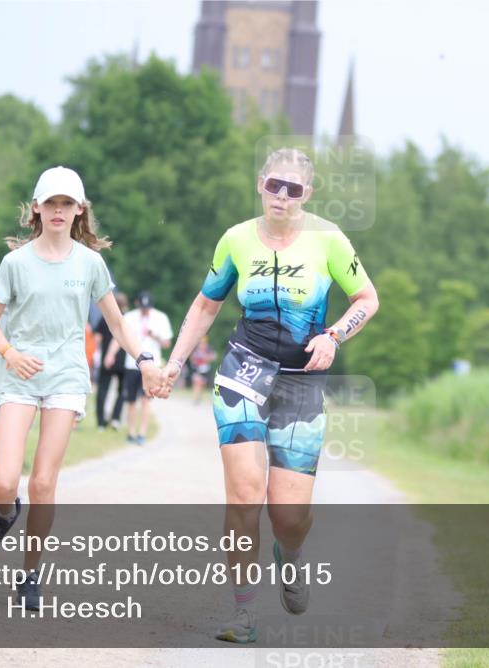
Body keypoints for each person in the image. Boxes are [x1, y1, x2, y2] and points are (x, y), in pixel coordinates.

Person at [160, 148, 380, 643]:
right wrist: (175, 363)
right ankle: (243, 614)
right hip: (244, 370)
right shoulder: (236, 240)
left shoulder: (329, 240)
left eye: (293, 189)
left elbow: (367, 299)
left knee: (288, 516)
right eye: (274, 185)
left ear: (308, 194)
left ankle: (291, 552)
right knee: (243, 496)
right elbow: (206, 304)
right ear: (260, 183)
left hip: (301, 382)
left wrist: (334, 336)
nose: (282, 195)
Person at [0, 166, 162, 610]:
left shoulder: (90, 263)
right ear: (37, 208)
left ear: (80, 210)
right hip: (20, 376)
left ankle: (29, 575)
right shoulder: (16, 263)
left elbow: (117, 323)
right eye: (52, 203)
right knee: (3, 481)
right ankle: (4, 513)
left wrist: (145, 360)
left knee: (43, 482)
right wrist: (10, 353)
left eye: (67, 203)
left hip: (67, 378)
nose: (59, 210)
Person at [120, 290, 172, 445]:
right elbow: (121, 338)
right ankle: (131, 432)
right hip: (132, 364)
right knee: (131, 401)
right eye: (142, 308)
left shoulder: (160, 318)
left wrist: (153, 335)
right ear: (137, 304)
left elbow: (167, 343)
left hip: (152, 365)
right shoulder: (129, 317)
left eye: (147, 308)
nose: (145, 311)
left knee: (146, 400)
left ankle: (142, 433)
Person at [94, 292, 130, 430]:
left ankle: (101, 421)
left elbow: (97, 338)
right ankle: (115, 418)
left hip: (106, 359)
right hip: (122, 359)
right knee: (121, 391)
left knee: (103, 389)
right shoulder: (126, 318)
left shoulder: (105, 317)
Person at [188, 335, 217, 402]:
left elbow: (214, 356)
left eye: (203, 342)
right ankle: (195, 398)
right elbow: (191, 357)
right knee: (197, 382)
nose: (202, 344)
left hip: (206, 369)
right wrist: (194, 361)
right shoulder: (196, 349)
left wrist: (207, 357)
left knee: (203, 383)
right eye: (201, 343)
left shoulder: (208, 348)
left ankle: (199, 396)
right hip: (197, 369)